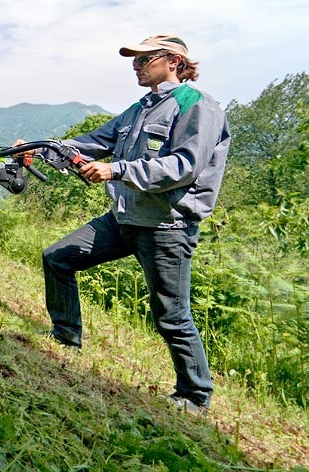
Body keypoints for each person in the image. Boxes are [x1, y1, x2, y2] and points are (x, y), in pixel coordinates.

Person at [37, 34, 230, 415]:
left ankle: (194, 395)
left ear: (172, 61)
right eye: (134, 60)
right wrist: (42, 148)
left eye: (143, 59)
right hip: (124, 218)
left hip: (166, 227)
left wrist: (116, 169)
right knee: (57, 257)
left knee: (171, 315)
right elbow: (93, 142)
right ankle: (66, 336)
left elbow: (183, 166)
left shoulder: (196, 105)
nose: (135, 66)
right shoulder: (141, 108)